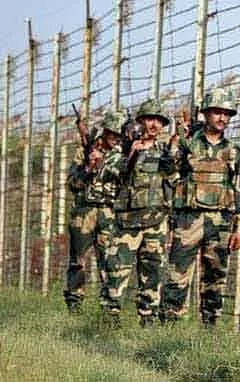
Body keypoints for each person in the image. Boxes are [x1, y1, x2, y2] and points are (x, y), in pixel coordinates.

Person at [161, 88, 240, 326]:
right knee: (177, 276)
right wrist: (174, 144)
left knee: (215, 280)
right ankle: (168, 328)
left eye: (226, 114)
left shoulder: (233, 151)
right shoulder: (188, 144)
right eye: (217, 112)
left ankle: (209, 328)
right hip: (188, 220)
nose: (222, 118)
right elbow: (167, 173)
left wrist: (239, 229)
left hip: (220, 223)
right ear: (206, 114)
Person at [101, 99, 177, 327]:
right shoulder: (124, 148)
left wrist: (171, 167)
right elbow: (107, 172)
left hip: (156, 222)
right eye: (149, 119)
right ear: (140, 121)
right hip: (127, 223)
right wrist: (131, 154)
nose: (153, 124)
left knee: (153, 274)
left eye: (158, 120)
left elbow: (176, 182)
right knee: (116, 272)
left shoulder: (165, 150)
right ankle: (109, 321)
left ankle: (148, 321)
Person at [64, 110, 126, 313]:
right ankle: (74, 305)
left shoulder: (122, 155)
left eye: (119, 134)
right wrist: (89, 168)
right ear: (105, 132)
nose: (115, 138)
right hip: (84, 211)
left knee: (110, 261)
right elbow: (72, 184)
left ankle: (109, 309)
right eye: (112, 133)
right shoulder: (84, 152)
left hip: (109, 212)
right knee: (78, 261)